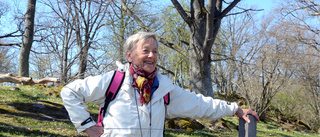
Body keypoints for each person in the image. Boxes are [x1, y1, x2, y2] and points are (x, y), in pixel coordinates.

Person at [61, 31, 259, 137]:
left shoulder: (163, 87)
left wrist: (235, 110)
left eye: (155, 51)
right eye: (145, 50)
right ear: (129, 55)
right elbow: (69, 92)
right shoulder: (114, 80)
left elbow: (199, 104)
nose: (151, 56)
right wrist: (86, 125)